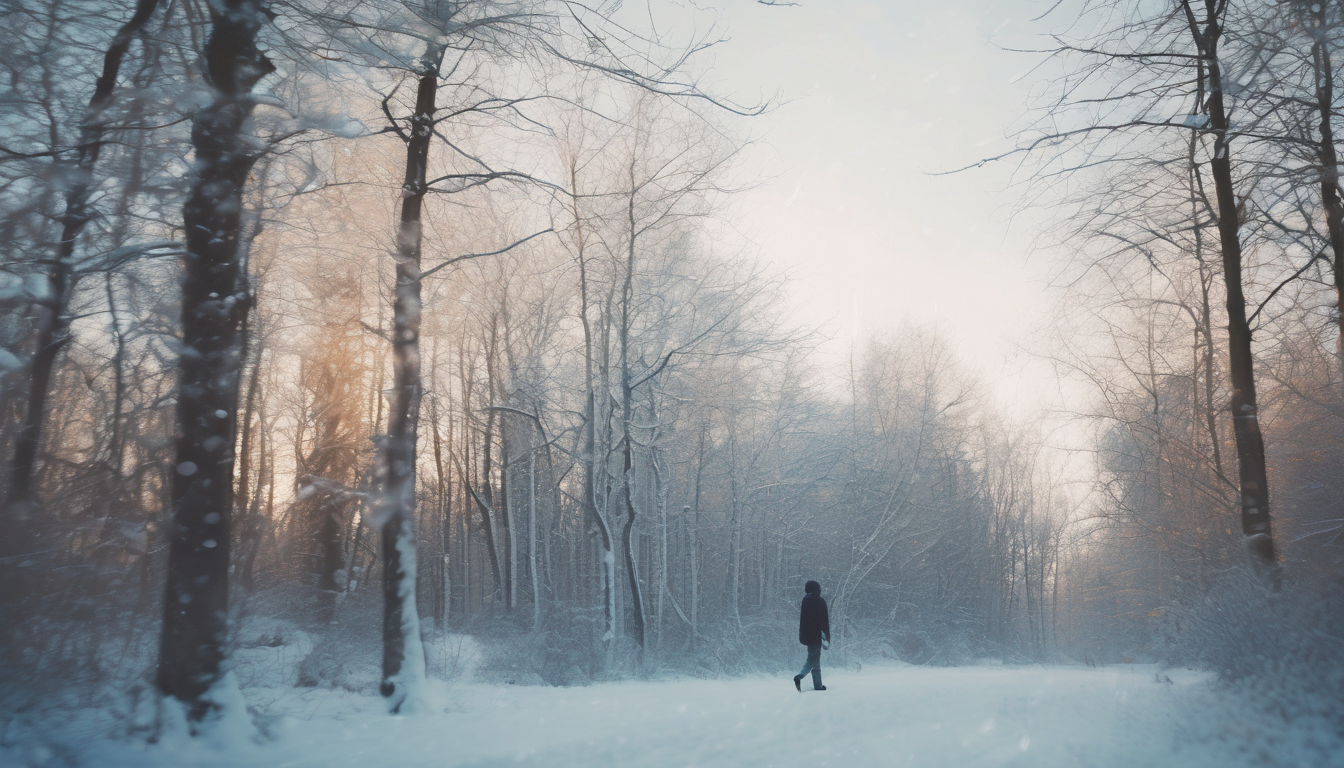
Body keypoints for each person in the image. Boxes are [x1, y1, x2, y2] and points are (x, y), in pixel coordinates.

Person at [794, 580, 829, 691]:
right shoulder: (820, 601)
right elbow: (824, 622)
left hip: (806, 635)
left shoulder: (805, 601)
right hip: (816, 635)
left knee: (815, 658)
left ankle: (818, 685)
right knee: (813, 659)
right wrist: (826, 637)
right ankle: (799, 676)